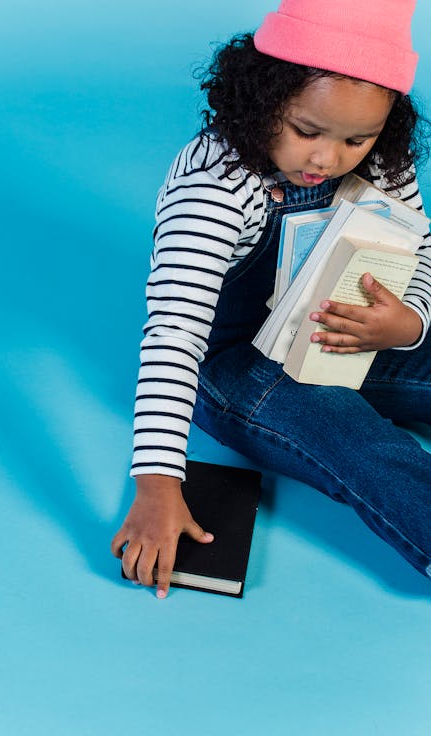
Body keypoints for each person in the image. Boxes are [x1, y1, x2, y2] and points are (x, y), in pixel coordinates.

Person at [112, 0, 431, 596]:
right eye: (307, 131)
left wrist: (407, 321)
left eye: (356, 140)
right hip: (238, 365)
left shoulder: (383, 158)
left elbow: (420, 246)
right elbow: (174, 334)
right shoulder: (216, 186)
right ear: (262, 99)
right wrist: (157, 483)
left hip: (339, 327)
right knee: (362, 444)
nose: (326, 159)